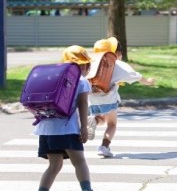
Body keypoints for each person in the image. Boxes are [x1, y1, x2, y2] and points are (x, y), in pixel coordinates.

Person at [34, 45, 93, 191]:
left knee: (54, 166)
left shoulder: (52, 77)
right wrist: (84, 127)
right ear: (85, 65)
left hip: (46, 129)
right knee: (79, 162)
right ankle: (87, 189)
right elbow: (83, 104)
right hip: (67, 129)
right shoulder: (81, 81)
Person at [86, 37, 156, 158]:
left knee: (101, 119)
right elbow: (137, 77)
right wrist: (148, 82)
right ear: (115, 53)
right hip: (109, 100)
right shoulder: (118, 64)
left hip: (92, 99)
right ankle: (104, 147)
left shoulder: (91, 63)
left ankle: (94, 121)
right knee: (112, 124)